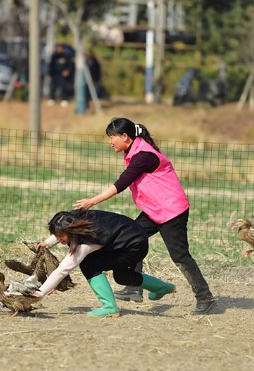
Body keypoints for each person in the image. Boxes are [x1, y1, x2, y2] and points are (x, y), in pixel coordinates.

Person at [73, 118, 217, 315]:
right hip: (154, 211)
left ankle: (205, 298)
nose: (109, 141)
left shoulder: (143, 155)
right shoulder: (134, 151)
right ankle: (134, 288)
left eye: (112, 137)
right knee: (131, 238)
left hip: (171, 211)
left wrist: (93, 201)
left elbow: (123, 182)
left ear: (125, 136)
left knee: (180, 256)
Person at [31, 210, 176, 317]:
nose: (59, 238)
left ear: (71, 230)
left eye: (60, 236)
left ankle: (109, 307)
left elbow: (62, 270)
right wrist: (49, 242)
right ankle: (163, 287)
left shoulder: (89, 240)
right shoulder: (73, 218)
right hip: (131, 234)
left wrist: (39, 293)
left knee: (89, 264)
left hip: (134, 246)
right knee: (122, 277)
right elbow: (62, 229)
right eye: (56, 235)